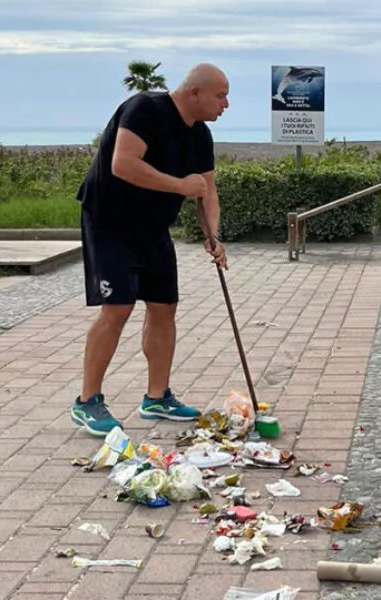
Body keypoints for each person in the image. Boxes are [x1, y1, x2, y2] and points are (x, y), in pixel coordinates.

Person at [71, 63, 230, 436]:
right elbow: (123, 164)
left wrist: (213, 237)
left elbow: (207, 190)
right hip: (110, 221)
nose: (226, 104)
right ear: (195, 93)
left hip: (153, 228)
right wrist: (178, 186)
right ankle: (87, 401)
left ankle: (157, 397)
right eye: (221, 95)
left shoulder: (200, 135)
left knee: (164, 306)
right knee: (119, 307)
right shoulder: (145, 109)